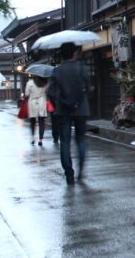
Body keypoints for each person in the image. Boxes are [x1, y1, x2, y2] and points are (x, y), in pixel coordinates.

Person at [47, 42, 91, 184]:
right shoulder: (81, 68)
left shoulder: (56, 71)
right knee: (80, 140)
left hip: (62, 110)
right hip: (81, 108)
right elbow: (88, 86)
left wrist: (59, 103)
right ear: (74, 53)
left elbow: (51, 92)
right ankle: (81, 171)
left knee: (65, 141)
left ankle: (69, 174)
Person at [24, 75, 49, 146]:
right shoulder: (45, 82)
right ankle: (40, 139)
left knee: (32, 121)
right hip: (42, 102)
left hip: (32, 102)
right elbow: (46, 91)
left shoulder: (30, 83)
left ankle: (33, 138)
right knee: (41, 121)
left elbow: (27, 94)